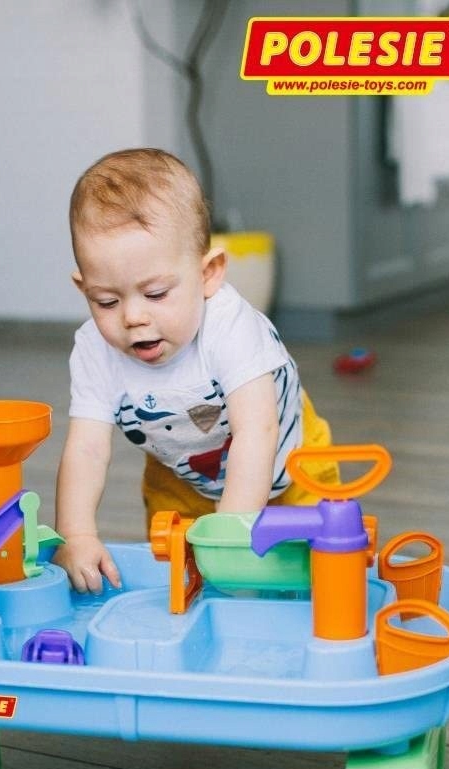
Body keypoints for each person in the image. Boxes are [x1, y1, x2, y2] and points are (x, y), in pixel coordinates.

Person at [54, 148, 338, 594]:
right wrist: (76, 535)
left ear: (209, 274)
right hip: (182, 473)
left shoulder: (231, 327)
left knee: (312, 570)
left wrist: (231, 533)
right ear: (83, 287)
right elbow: (87, 448)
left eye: (156, 294)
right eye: (106, 301)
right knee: (181, 570)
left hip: (290, 462)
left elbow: (257, 432)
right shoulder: (95, 348)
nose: (133, 317)